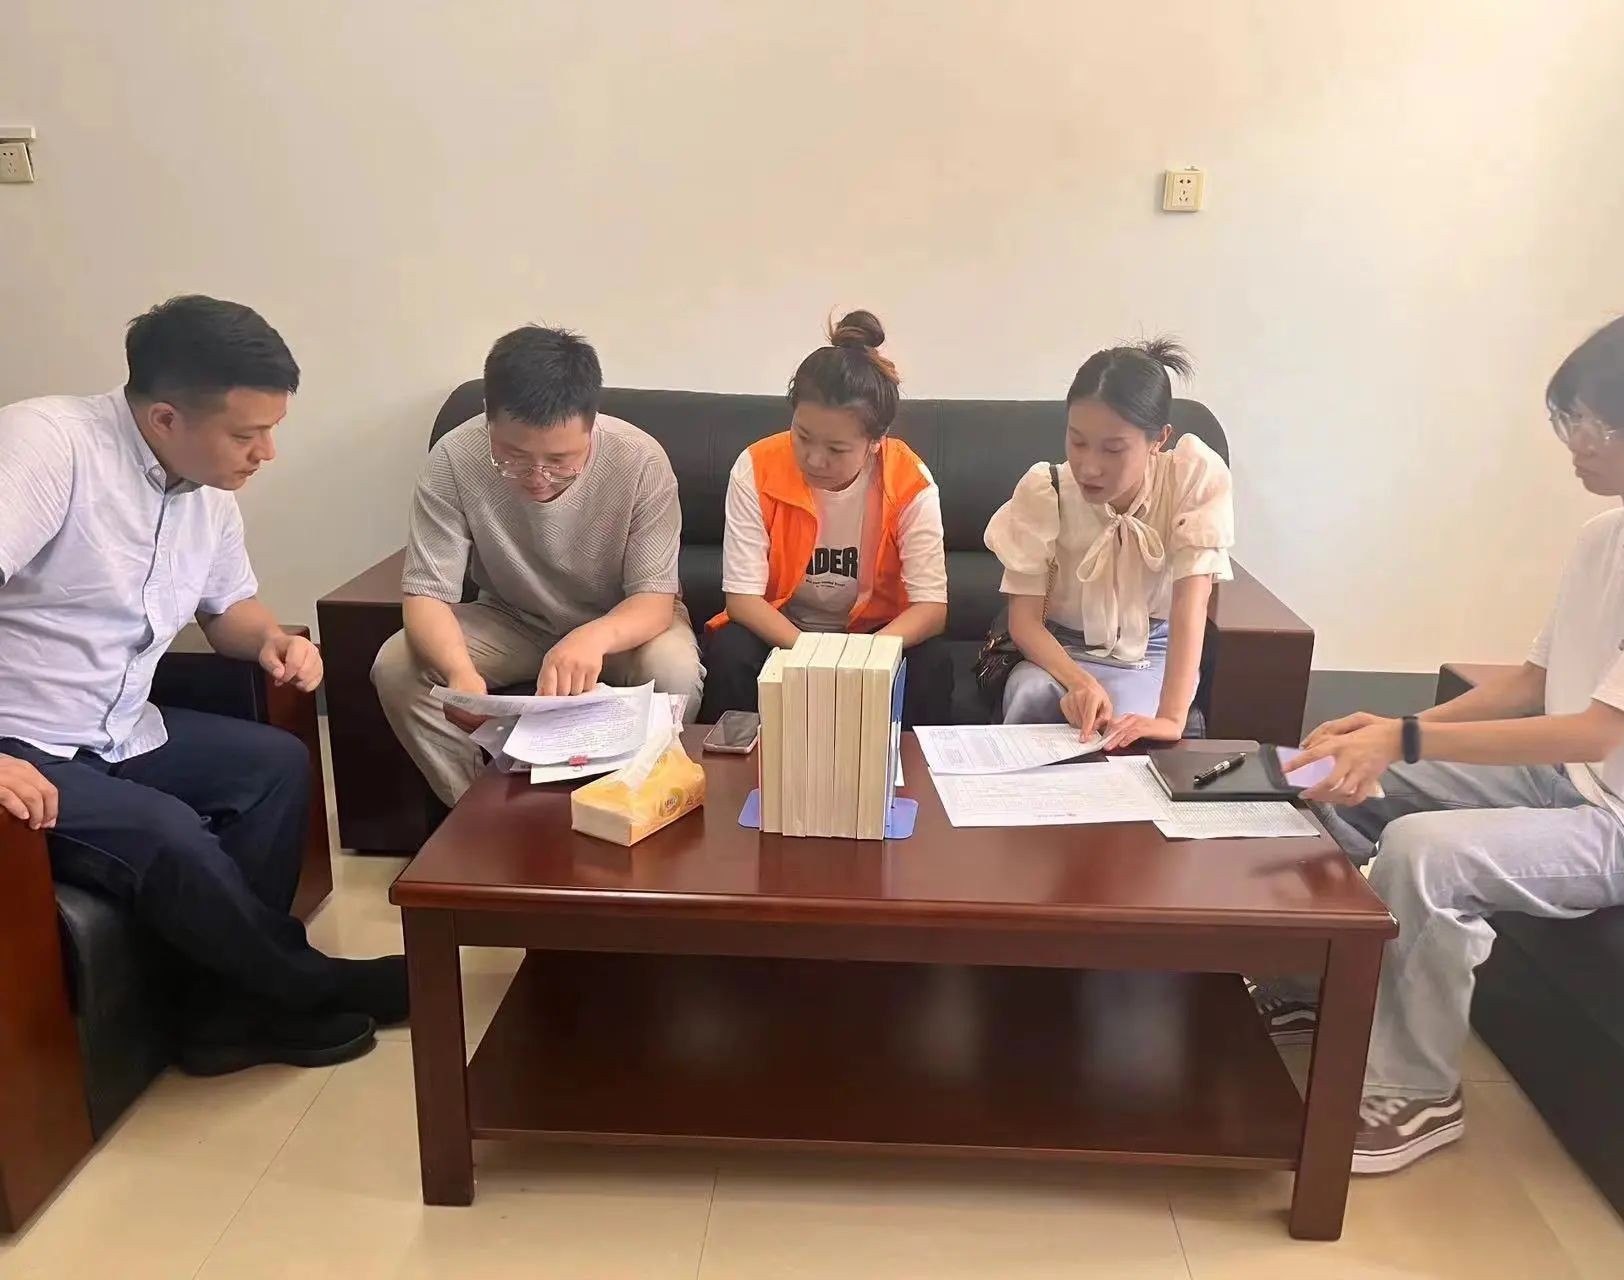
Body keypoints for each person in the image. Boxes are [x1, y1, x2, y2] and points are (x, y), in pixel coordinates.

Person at [1275, 302, 1624, 1174]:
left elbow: (1597, 732)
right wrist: (1384, 731)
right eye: (1573, 415)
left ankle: (1418, 1090)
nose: (1580, 442)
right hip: (1570, 785)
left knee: (1424, 853)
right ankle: (1316, 984)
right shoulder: (1602, 536)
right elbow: (1532, 680)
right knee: (1320, 775)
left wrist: (1405, 740)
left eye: (1605, 425)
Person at [0, 295, 407, 1075]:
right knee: (165, 833)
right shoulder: (45, 447)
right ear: (164, 418)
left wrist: (274, 642)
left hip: (121, 728)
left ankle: (221, 1017)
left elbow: (227, 611)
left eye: (272, 430)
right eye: (247, 435)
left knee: (272, 765)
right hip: (22, 743)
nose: (267, 453)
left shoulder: (207, 487)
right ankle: (303, 986)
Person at [373, 325, 703, 805]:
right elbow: (426, 594)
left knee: (673, 669)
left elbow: (654, 601)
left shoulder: (640, 461)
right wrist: (460, 674)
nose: (538, 478)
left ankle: (634, 805)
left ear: (591, 424)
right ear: (488, 419)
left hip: (619, 625)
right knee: (397, 666)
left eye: (561, 460)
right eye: (513, 457)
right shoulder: (453, 459)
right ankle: (475, 813)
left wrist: (591, 638)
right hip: (512, 619)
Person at [699, 310, 952, 726]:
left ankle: (905, 766)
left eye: (836, 449)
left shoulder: (910, 482)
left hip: (873, 636)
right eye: (802, 437)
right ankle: (739, 762)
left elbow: (931, 608)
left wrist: (860, 657)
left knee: (931, 662)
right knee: (731, 650)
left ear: (876, 441)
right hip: (781, 632)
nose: (814, 459)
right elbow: (742, 600)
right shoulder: (756, 467)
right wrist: (814, 655)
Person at [983, 337, 1233, 745]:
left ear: (1159, 439)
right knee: (1032, 697)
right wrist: (1080, 682)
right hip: (1057, 651)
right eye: (1077, 442)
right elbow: (1024, 622)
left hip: (1150, 652)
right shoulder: (1046, 490)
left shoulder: (1191, 477)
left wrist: (1171, 719)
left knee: (1122, 729)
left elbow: (1191, 605)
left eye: (1113, 449)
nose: (1089, 467)